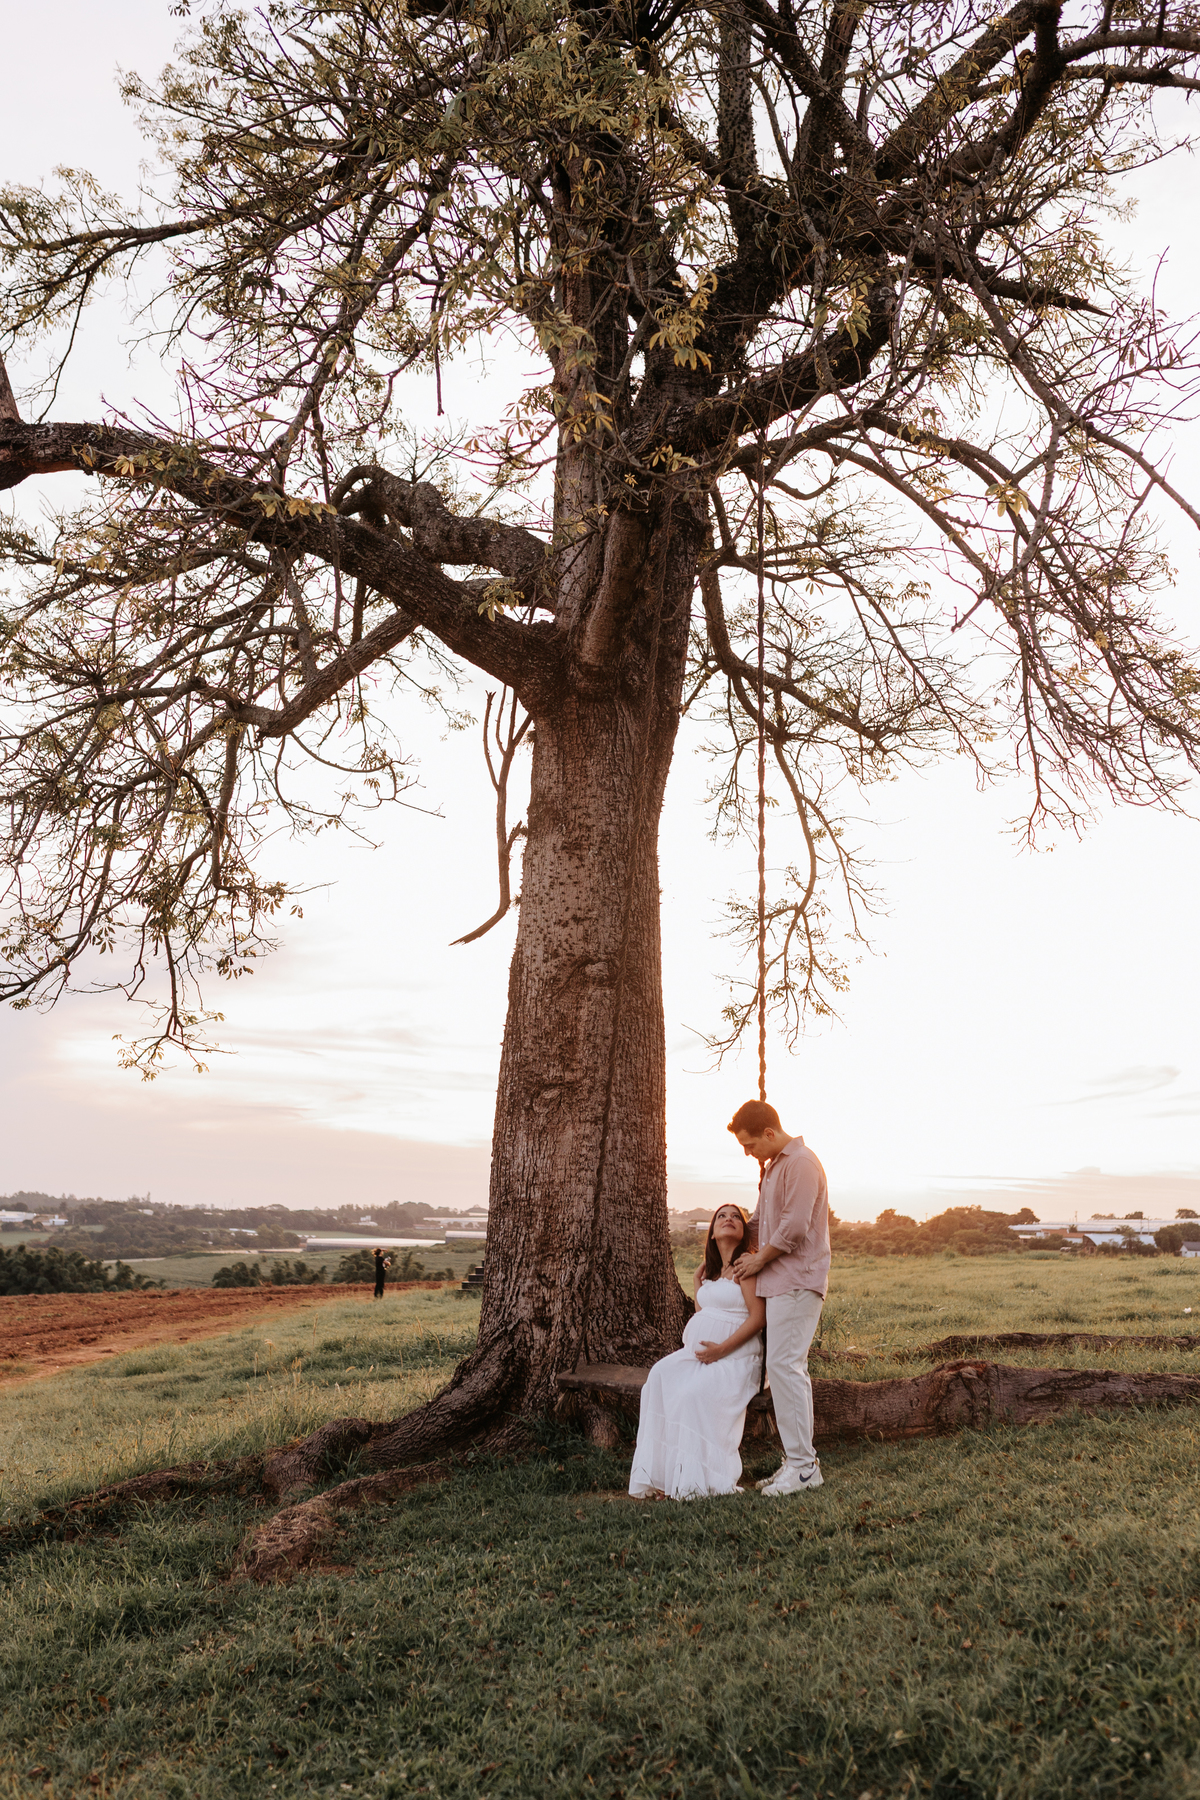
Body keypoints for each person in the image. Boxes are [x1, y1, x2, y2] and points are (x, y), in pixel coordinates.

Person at [628, 1204, 766, 1500]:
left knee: (692, 1395)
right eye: (721, 1216)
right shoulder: (713, 1272)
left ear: (743, 1231)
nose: (729, 1219)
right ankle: (666, 1475)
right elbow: (707, 1313)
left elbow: (758, 1318)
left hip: (738, 1357)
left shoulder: (745, 1267)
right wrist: (696, 1284)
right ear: (712, 1233)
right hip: (702, 1355)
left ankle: (701, 1477)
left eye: (736, 1217)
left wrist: (721, 1349)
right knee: (659, 1377)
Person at [728, 1099, 830, 1497]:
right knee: (785, 1368)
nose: (747, 1152)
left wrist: (758, 1261)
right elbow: (759, 1225)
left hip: (797, 1280)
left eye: (750, 1144)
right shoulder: (773, 1169)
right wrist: (723, 1254)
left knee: (786, 1367)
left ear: (769, 1133)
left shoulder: (801, 1163)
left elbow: (795, 1227)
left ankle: (804, 1468)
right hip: (779, 1282)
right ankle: (796, 1460)